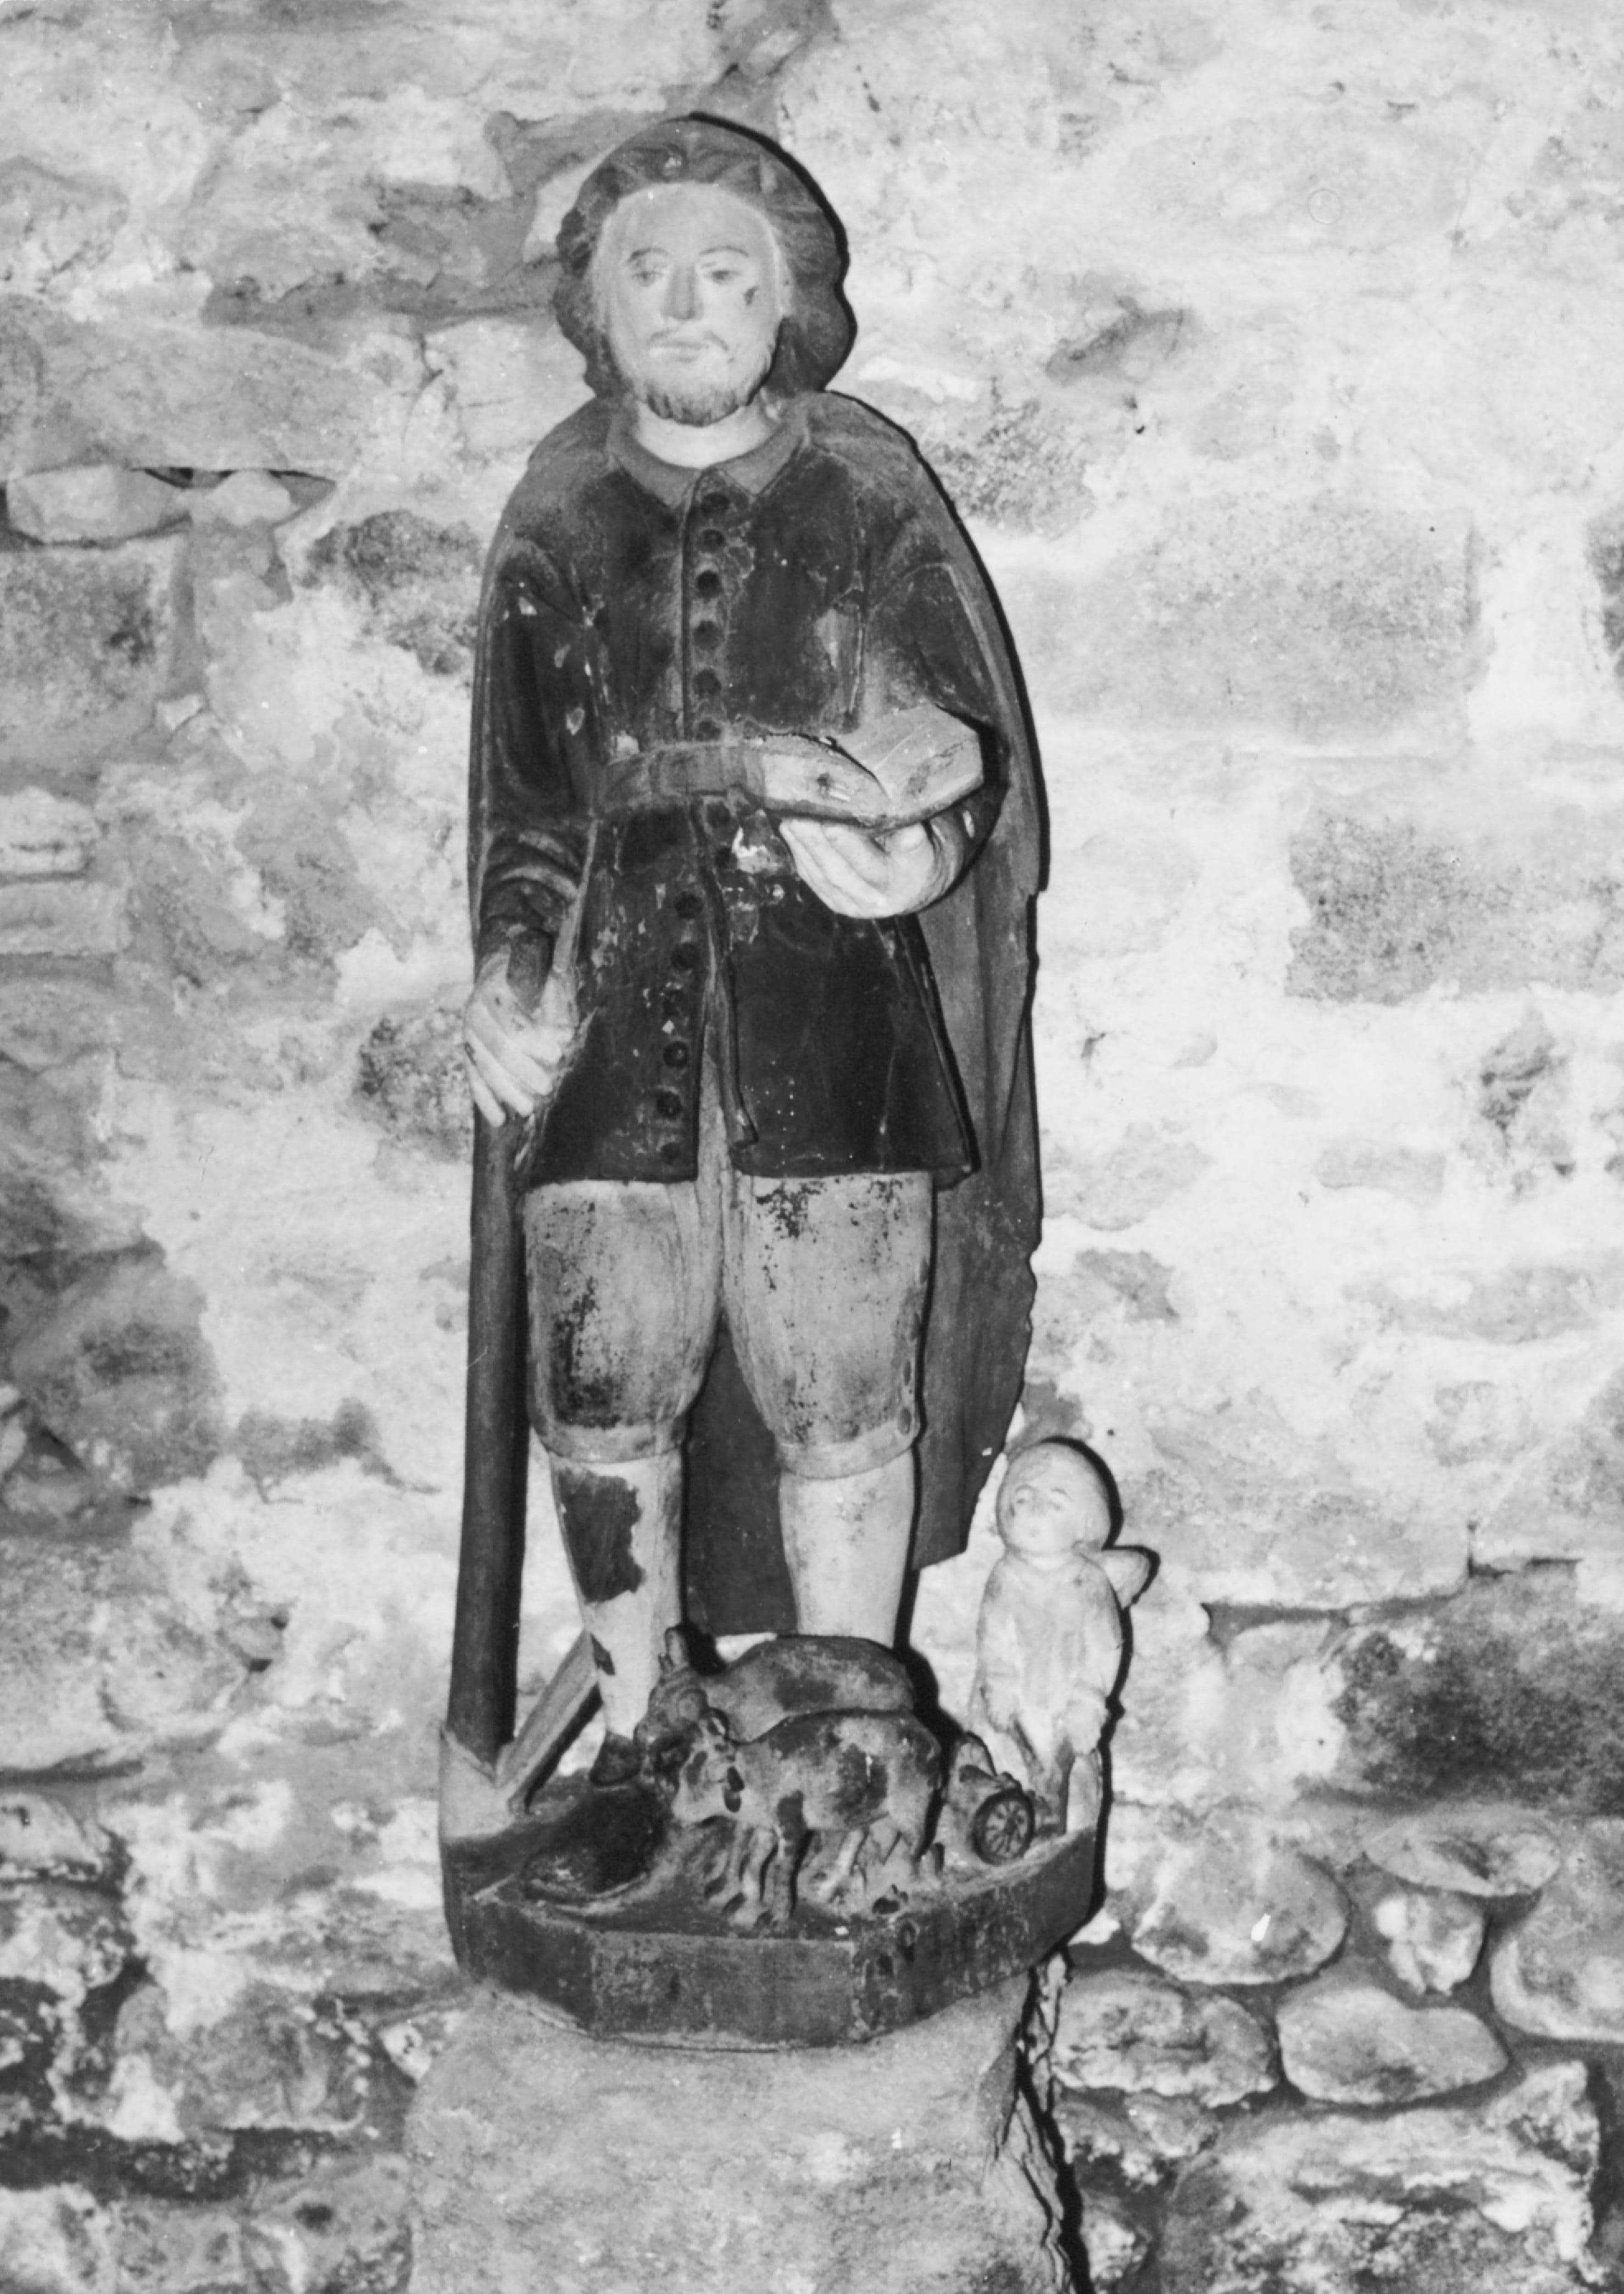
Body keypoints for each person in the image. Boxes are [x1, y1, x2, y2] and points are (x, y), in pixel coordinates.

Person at [450, 114, 1041, 1790]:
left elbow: (957, 737)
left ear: (788, 302)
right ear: (595, 307)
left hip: (830, 1017)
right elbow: (525, 806)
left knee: (841, 1391)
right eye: (647, 272)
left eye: (725, 273)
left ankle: (849, 1728)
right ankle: (645, 1737)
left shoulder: (860, 492)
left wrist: (914, 835)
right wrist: (509, 973)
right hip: (607, 1019)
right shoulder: (557, 514)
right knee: (601, 1386)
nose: (685, 303)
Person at [968, 1442, 1150, 1832]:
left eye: (1055, 1504)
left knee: (1075, 1806)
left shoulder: (1089, 1583)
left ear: (1085, 1519)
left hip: (1065, 1714)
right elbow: (993, 1637)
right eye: (1023, 1499)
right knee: (999, 1794)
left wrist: (1088, 1699)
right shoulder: (1005, 1577)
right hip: (1012, 1710)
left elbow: (1104, 1649)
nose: (1035, 1512)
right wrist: (999, 1682)